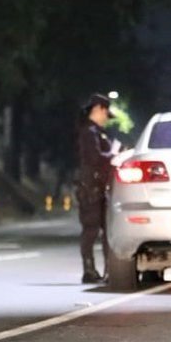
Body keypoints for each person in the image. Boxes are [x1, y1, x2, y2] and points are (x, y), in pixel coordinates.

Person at [76, 93, 119, 284]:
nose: (106, 119)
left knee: (106, 230)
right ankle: (89, 270)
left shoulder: (96, 132)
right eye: (105, 113)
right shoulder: (89, 132)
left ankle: (109, 270)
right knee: (91, 229)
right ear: (99, 109)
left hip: (99, 187)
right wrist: (113, 154)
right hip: (91, 188)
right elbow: (95, 158)